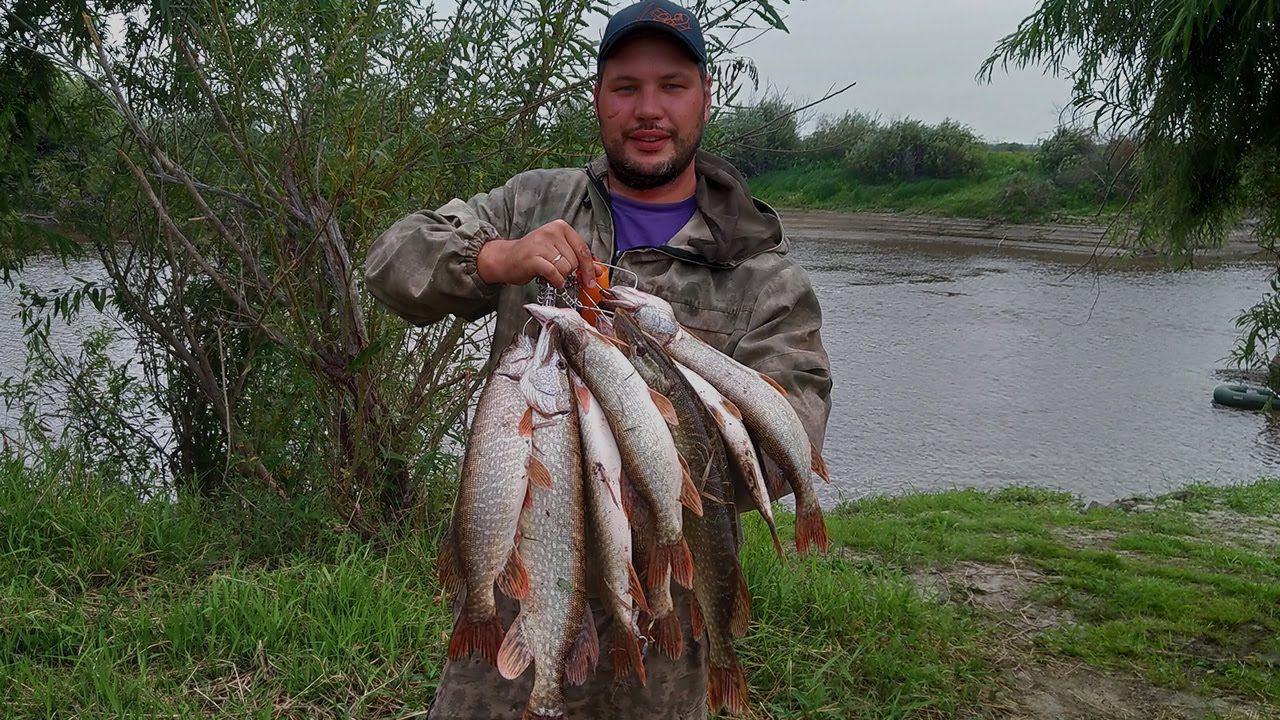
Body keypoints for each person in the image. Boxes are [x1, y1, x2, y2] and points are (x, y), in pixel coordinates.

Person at [365, 1, 832, 717]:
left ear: (706, 97)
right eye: (626, 87)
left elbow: (783, 442)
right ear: (598, 99)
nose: (649, 109)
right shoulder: (532, 201)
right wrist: (494, 257)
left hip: (661, 627)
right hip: (520, 603)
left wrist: (647, 437)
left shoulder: (764, 278)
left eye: (672, 85)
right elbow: (391, 262)